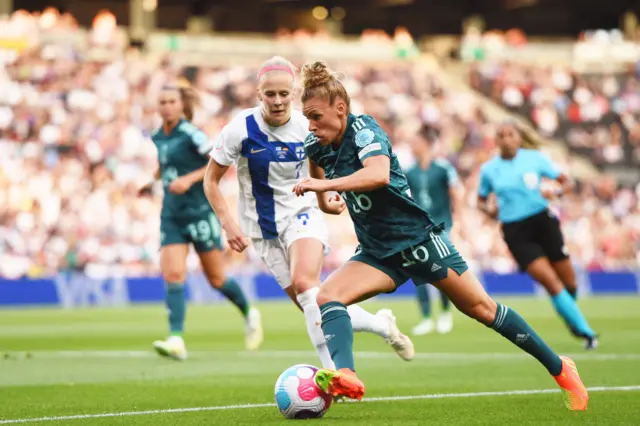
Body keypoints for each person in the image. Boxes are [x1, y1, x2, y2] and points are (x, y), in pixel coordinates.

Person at [293, 61, 588, 411]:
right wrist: (327, 200)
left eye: (315, 116)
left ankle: (561, 369)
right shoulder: (316, 144)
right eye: (307, 118)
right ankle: (346, 375)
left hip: (417, 242)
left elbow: (378, 175)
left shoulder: (364, 130)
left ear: (340, 108)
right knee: (327, 297)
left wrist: (325, 185)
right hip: (377, 251)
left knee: (483, 309)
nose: (310, 125)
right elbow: (322, 186)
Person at [203, 57, 414, 371]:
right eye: (270, 94)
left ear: (293, 93)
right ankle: (381, 325)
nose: (277, 101)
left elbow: (319, 167)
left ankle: (335, 374)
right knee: (312, 305)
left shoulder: (307, 126)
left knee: (305, 283)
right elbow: (211, 180)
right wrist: (228, 223)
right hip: (262, 228)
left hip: (302, 213)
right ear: (258, 95)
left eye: (284, 94)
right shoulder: (240, 129)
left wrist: (326, 197)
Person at [139, 81, 263, 361]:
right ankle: (176, 339)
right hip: (172, 214)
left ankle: (249, 311)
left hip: (198, 212)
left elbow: (215, 162)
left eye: (172, 101)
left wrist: (189, 179)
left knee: (217, 279)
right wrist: (152, 182)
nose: (167, 106)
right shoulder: (159, 135)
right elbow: (165, 162)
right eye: (162, 102)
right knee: (173, 274)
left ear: (182, 105)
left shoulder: (191, 134)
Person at [477, 122, 598, 350]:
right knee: (551, 283)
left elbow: (566, 181)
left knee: (569, 282)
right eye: (500, 135)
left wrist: (557, 192)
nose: (505, 139)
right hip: (516, 231)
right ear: (496, 140)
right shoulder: (489, 170)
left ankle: (571, 318)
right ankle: (586, 332)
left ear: (519, 138)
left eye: (510, 134)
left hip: (543, 222)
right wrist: (489, 210)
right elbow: (481, 201)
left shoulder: (535, 159)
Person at [405, 126, 463, 335]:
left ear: (427, 143)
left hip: (442, 225)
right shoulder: (409, 171)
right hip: (418, 228)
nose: (412, 145)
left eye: (416, 141)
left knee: (442, 270)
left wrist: (458, 220)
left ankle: (445, 313)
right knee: (418, 271)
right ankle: (427, 317)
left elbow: (456, 193)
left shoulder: (443, 168)